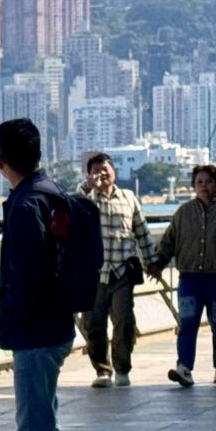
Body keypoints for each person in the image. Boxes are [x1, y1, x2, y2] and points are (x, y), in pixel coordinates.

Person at [0, 118, 78, 431]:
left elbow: (27, 276)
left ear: (0, 160)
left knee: (35, 425)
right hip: (57, 323)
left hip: (36, 331)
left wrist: (7, 316)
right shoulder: (52, 193)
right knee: (47, 421)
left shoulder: (27, 204)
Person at [147, 164, 216, 387]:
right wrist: (158, 264)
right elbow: (168, 242)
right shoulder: (183, 212)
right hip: (190, 279)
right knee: (188, 322)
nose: (204, 187)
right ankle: (184, 368)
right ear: (193, 186)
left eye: (209, 182)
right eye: (199, 182)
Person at [76, 152, 157, 389]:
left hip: (122, 270)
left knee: (124, 321)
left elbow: (141, 230)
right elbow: (73, 206)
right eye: (96, 170)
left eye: (106, 169)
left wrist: (151, 261)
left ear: (114, 171)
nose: (102, 174)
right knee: (95, 324)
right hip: (95, 273)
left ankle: (123, 368)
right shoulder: (89, 198)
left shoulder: (129, 197)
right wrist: (88, 186)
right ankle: (103, 370)